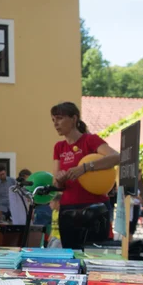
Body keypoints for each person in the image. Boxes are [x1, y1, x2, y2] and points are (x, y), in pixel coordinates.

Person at [51, 102, 120, 249]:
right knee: (71, 255)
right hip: (68, 208)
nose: (56, 123)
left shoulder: (90, 140)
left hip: (94, 207)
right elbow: (56, 184)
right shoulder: (59, 147)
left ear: (74, 118)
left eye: (59, 118)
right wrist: (60, 179)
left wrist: (85, 168)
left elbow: (116, 157)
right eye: (53, 120)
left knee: (95, 255)